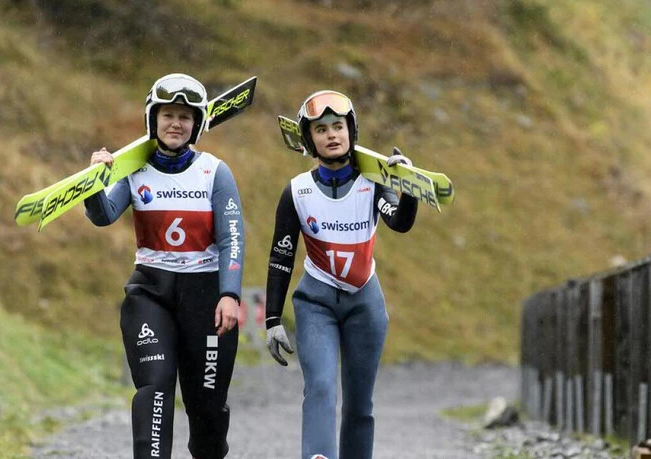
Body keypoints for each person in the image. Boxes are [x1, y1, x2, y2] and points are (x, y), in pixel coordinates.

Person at [84, 73, 244, 459]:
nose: (176, 123)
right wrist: (93, 182)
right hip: (150, 292)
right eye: (168, 115)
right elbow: (103, 215)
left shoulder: (215, 172)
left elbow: (232, 239)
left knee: (205, 408)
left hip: (205, 296)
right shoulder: (134, 169)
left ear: (198, 125)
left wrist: (229, 295)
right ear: (152, 120)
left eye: (185, 117)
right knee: (154, 387)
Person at [265, 90, 419, 459]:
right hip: (315, 302)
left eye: (338, 127)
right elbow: (281, 256)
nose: (332, 135)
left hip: (365, 304)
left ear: (352, 132)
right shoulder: (297, 192)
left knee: (359, 404)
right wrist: (272, 318)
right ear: (309, 140)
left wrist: (409, 188)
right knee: (319, 387)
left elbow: (399, 222)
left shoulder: (372, 183)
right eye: (321, 130)